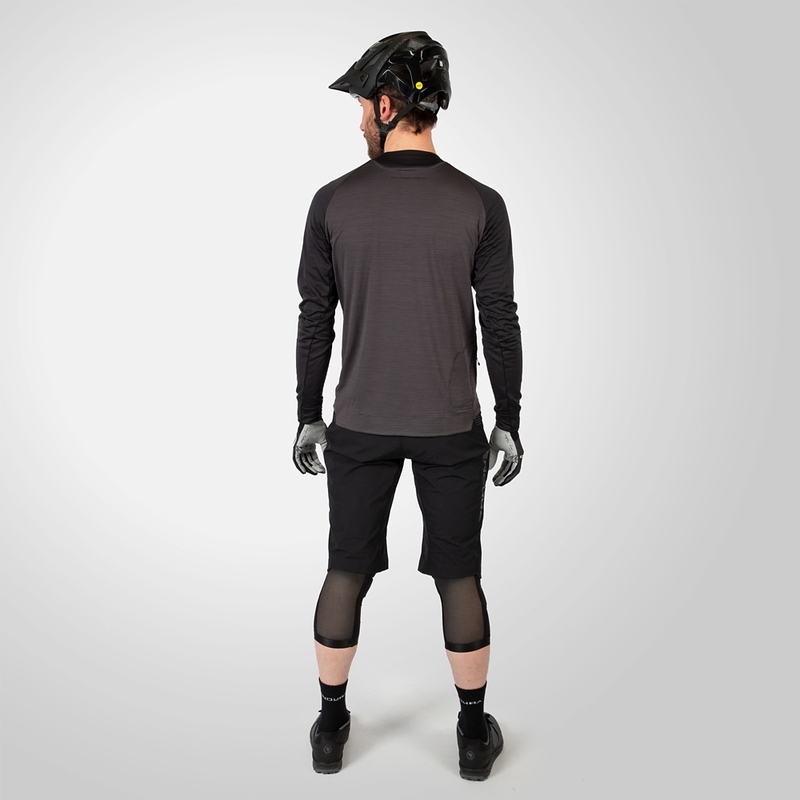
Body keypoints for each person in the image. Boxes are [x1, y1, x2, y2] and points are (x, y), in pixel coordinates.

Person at [293, 31, 523, 781]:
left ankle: (330, 729)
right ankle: (472, 735)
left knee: (345, 570)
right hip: (451, 425)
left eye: (364, 105)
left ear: (389, 106)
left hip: (359, 421)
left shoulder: (333, 202)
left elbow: (316, 318)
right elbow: (499, 320)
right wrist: (509, 420)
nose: (360, 119)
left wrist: (307, 412)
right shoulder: (481, 204)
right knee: (460, 576)